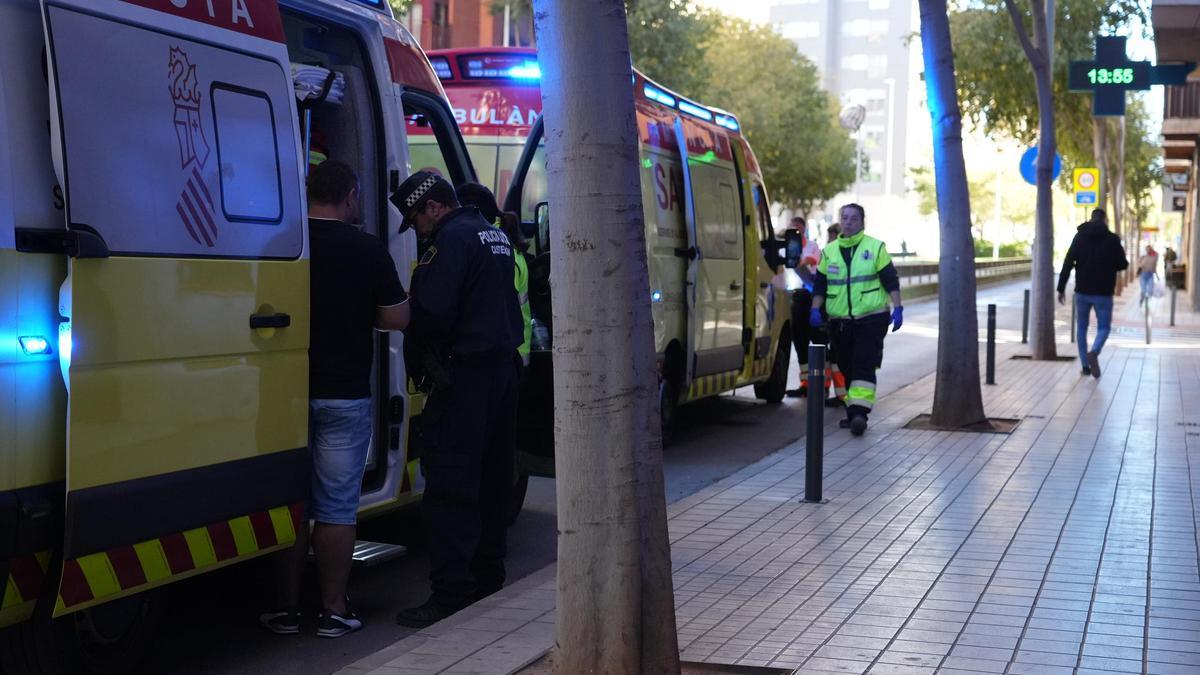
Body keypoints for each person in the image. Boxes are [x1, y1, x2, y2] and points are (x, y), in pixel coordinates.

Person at [260, 160, 410, 638]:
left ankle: (285, 608)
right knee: (337, 506)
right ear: (350, 196)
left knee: (291, 503)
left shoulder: (278, 247)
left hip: (284, 395)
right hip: (343, 396)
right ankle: (331, 611)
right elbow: (396, 318)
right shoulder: (366, 249)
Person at [390, 171, 523, 628]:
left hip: (463, 380)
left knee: (449, 487)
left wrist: (404, 311)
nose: (417, 229)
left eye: (415, 219)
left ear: (432, 207)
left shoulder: (450, 241)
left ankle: (450, 594)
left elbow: (432, 313)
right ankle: (488, 579)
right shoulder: (491, 234)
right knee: (491, 482)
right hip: (501, 376)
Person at [810, 204, 902, 436]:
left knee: (863, 362)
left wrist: (898, 306)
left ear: (862, 222)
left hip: (871, 318)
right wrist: (815, 309)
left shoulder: (875, 247)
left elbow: (890, 280)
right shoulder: (829, 251)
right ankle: (853, 412)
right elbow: (820, 285)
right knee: (845, 365)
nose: (849, 222)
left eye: (854, 218)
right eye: (845, 218)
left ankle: (859, 414)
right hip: (840, 321)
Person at [456, 182, 532, 368]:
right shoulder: (502, 241)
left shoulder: (493, 249)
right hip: (514, 352)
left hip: (506, 357)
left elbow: (492, 309)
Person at [1056, 208, 1129, 379]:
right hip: (1103, 292)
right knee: (1104, 327)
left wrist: (1061, 288)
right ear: (1105, 220)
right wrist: (1109, 264)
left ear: (1091, 218)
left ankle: (1085, 366)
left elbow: (1068, 263)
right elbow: (1123, 264)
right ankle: (1094, 351)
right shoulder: (1112, 239)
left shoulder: (1080, 237)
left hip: (1082, 291)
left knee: (1081, 327)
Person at [784, 217, 823, 398]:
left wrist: (795, 260)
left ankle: (819, 384)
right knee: (799, 342)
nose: (796, 233)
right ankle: (805, 383)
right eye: (793, 229)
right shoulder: (786, 248)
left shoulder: (811, 246)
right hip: (794, 297)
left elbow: (809, 260)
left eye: (799, 229)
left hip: (809, 297)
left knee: (816, 340)